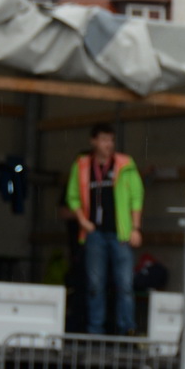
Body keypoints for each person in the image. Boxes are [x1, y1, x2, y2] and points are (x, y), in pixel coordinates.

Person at [65, 123, 144, 336]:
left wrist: (136, 228)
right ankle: (95, 332)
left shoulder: (125, 164)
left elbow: (137, 196)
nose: (108, 144)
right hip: (94, 234)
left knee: (125, 285)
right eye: (103, 140)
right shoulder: (82, 165)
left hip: (121, 234)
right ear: (93, 141)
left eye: (111, 140)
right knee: (95, 285)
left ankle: (126, 330)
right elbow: (72, 197)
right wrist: (82, 220)